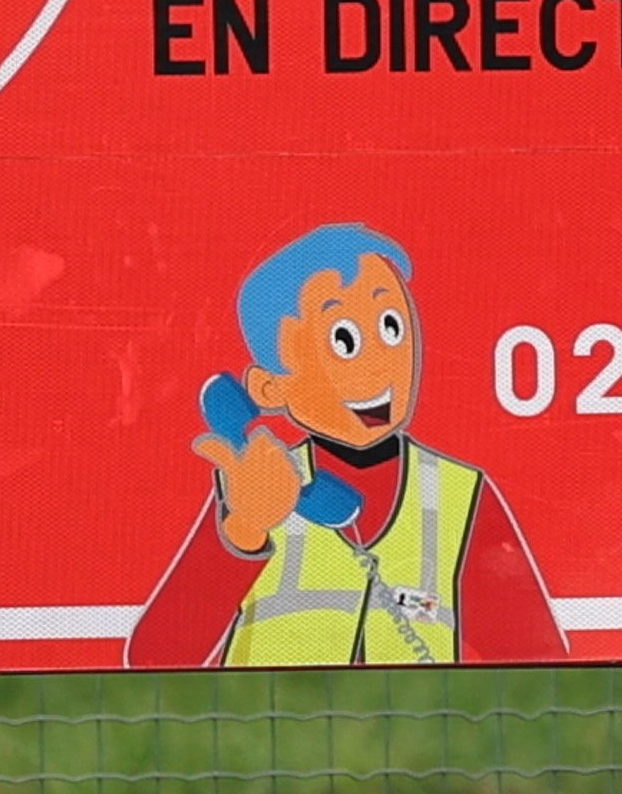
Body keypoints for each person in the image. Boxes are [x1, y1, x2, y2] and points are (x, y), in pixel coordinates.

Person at [125, 220, 566, 667]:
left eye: (392, 328)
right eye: (345, 341)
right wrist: (242, 533)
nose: (380, 363)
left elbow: (541, 660)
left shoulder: (462, 496)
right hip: (268, 731)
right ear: (268, 389)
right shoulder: (247, 489)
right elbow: (152, 655)